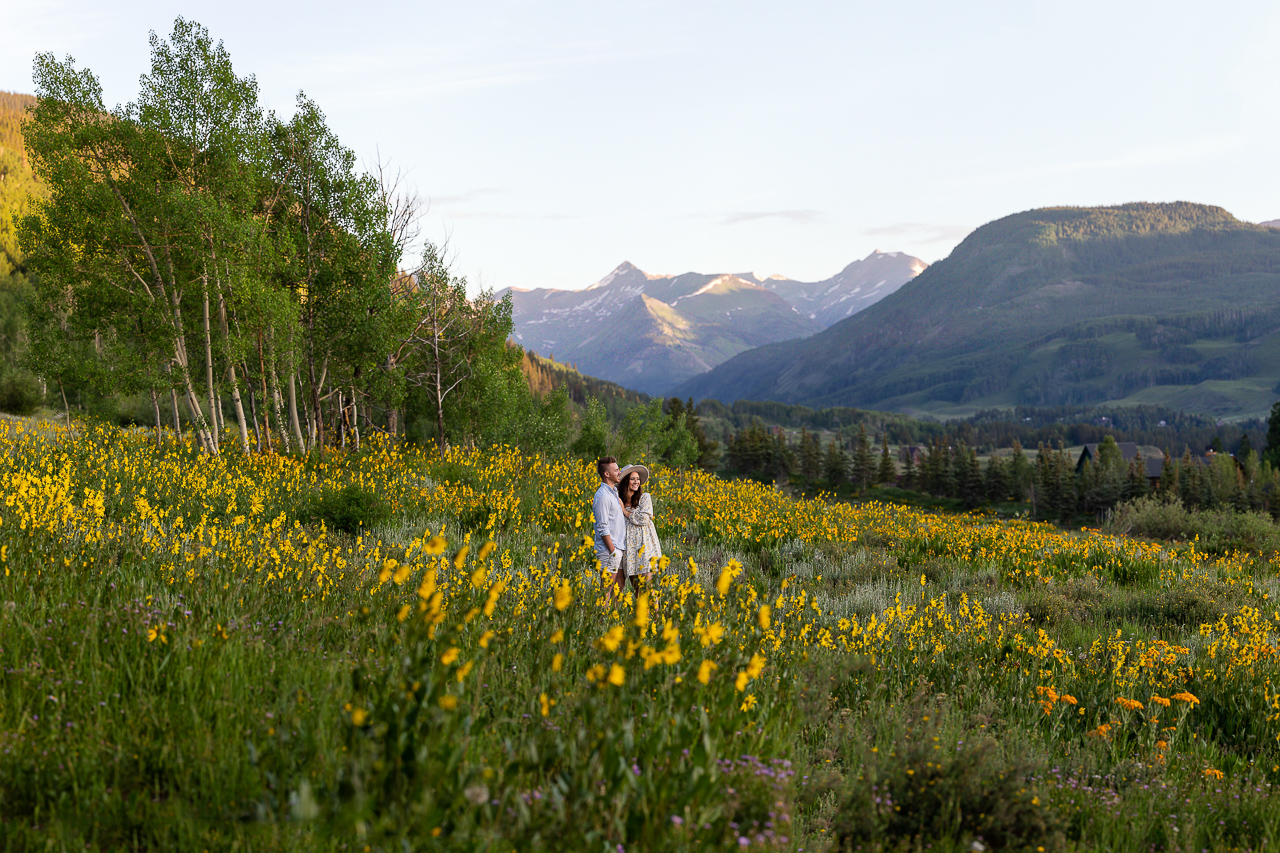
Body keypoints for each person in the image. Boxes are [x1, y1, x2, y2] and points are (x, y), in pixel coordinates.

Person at [617, 463, 661, 590]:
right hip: (630, 553)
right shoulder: (619, 502)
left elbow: (644, 519)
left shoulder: (644, 498)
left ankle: (657, 611)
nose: (636, 482)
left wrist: (625, 512)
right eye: (632, 479)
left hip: (646, 550)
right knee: (638, 592)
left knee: (648, 592)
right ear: (626, 482)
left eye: (637, 479)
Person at [592, 456, 627, 592]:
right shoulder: (602, 496)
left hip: (617, 548)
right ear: (607, 474)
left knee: (618, 588)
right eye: (616, 470)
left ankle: (614, 613)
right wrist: (613, 551)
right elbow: (602, 526)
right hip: (609, 550)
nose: (619, 472)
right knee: (606, 589)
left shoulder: (613, 493)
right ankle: (602, 613)